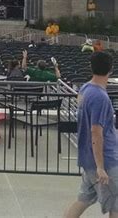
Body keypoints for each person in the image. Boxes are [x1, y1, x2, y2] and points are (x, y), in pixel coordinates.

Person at [64, 51, 117, 217]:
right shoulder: (100, 97)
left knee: (83, 199)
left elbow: (82, 104)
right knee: (115, 205)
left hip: (88, 159)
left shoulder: (86, 89)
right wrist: (101, 167)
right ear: (111, 70)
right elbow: (96, 132)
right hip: (105, 161)